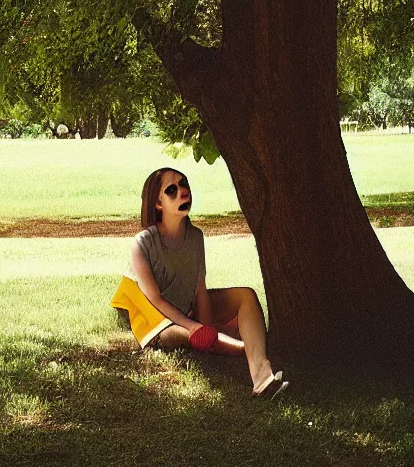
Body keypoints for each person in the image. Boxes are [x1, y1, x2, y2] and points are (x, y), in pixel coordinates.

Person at [111, 167, 288, 398]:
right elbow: (154, 298)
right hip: (154, 318)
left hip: (186, 307)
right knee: (183, 334)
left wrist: (206, 325)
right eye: (172, 190)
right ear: (158, 203)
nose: (182, 191)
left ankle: (262, 377)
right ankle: (246, 349)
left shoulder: (195, 237)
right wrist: (195, 327)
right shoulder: (141, 243)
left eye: (183, 184)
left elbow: (199, 289)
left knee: (246, 295)